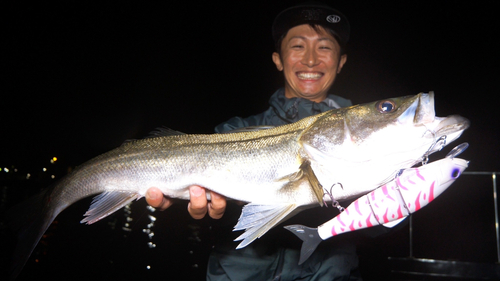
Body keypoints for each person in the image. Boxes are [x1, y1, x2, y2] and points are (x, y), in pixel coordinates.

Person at [146, 2, 359, 280]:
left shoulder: (365, 136)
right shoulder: (234, 130)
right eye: (297, 46)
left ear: (341, 61)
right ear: (277, 59)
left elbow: (381, 224)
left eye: (324, 47)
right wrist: (175, 199)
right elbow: (196, 191)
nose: (310, 60)